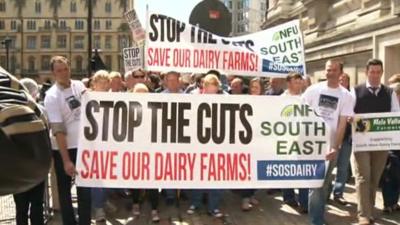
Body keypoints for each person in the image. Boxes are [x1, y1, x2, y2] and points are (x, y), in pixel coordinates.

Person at [302, 59, 354, 225]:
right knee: (316, 185)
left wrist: (335, 147)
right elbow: (300, 112)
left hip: (331, 147)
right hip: (312, 146)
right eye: (327, 70)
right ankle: (316, 221)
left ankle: (318, 214)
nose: (329, 73)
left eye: (333, 70)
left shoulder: (346, 95)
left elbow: (342, 124)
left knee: (324, 184)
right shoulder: (313, 90)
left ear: (340, 73)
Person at [44, 56, 91, 225]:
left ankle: (85, 221)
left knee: (85, 189)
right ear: (53, 73)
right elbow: (58, 130)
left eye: (65, 69)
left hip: (84, 147)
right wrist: (66, 161)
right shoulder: (51, 96)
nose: (63, 73)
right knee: (64, 191)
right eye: (59, 70)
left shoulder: (79, 85)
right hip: (63, 149)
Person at [352, 59, 400, 225]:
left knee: (374, 177)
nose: (375, 75)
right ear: (366, 72)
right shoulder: (356, 91)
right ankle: (363, 214)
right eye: (372, 72)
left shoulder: (389, 93)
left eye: (378, 72)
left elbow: (395, 115)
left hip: (381, 143)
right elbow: (350, 114)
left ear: (382, 73)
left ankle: (370, 209)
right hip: (361, 143)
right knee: (363, 176)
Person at [187, 74, 224, 218]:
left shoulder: (224, 99)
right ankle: (195, 203)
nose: (212, 93)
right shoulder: (193, 97)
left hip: (216, 144)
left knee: (216, 176)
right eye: (209, 89)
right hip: (198, 143)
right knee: (198, 175)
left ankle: (213, 206)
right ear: (204, 87)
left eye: (214, 90)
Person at [13, 78, 46, 225]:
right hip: (37, 164)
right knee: (37, 205)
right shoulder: (39, 110)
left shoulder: (9, 109)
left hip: (17, 166)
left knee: (21, 208)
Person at [130, 83, 160, 222]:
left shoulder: (154, 110)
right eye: (138, 94)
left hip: (151, 151)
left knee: (152, 182)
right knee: (135, 180)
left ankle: (154, 209)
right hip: (135, 151)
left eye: (144, 93)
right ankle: (135, 203)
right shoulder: (128, 110)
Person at [281, 72, 309, 213]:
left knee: (303, 170)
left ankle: (304, 203)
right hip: (286, 140)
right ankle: (288, 196)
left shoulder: (306, 98)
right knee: (288, 169)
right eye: (296, 81)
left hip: (303, 139)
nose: (298, 84)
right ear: (289, 83)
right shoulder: (281, 99)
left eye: (300, 81)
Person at [332, 73, 353, 205]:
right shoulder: (332, 95)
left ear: (348, 82)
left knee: (343, 168)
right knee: (329, 168)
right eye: (340, 80)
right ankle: (326, 192)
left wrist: (353, 118)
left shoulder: (352, 97)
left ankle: (338, 193)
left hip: (347, 138)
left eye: (344, 80)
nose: (342, 82)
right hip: (333, 138)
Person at [381, 81, 400, 213]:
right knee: (390, 174)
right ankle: (388, 203)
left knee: (397, 175)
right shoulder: (387, 106)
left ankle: (394, 202)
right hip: (390, 146)